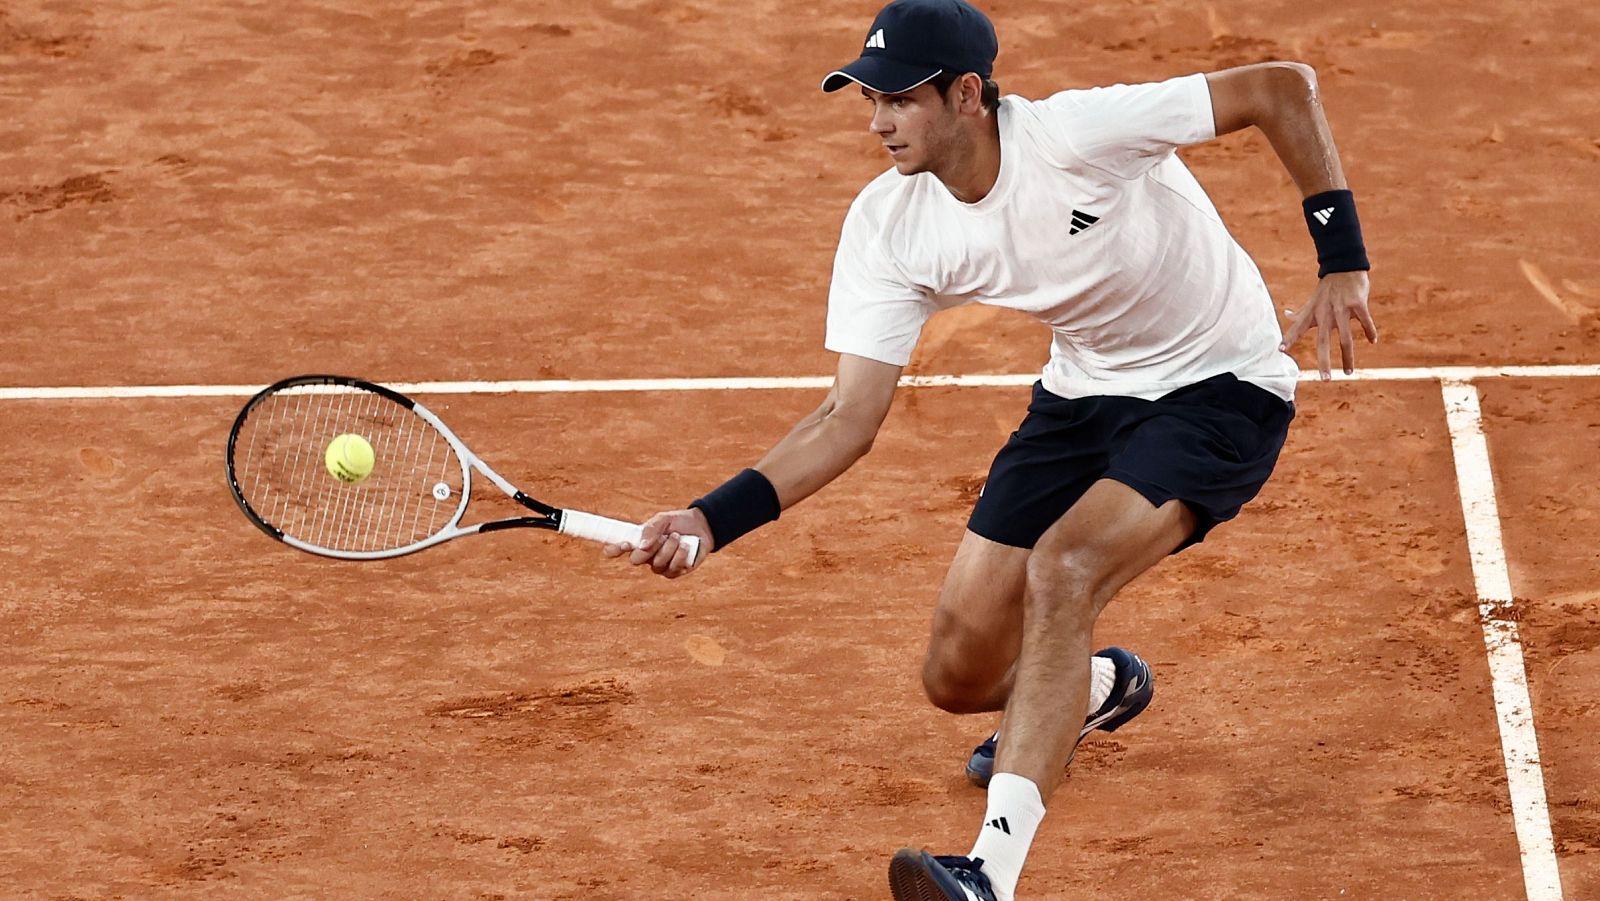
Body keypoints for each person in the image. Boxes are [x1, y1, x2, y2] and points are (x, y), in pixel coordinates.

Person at [603, 0, 1378, 897]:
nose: (878, 121)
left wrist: (1340, 257)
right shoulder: (892, 225)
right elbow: (846, 417)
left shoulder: (1077, 136)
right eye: (868, 98)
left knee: (1065, 569)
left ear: (967, 94)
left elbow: (1280, 89)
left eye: (899, 99)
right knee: (957, 674)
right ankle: (1090, 686)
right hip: (1082, 395)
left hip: (1220, 383)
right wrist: (711, 516)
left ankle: (989, 874)